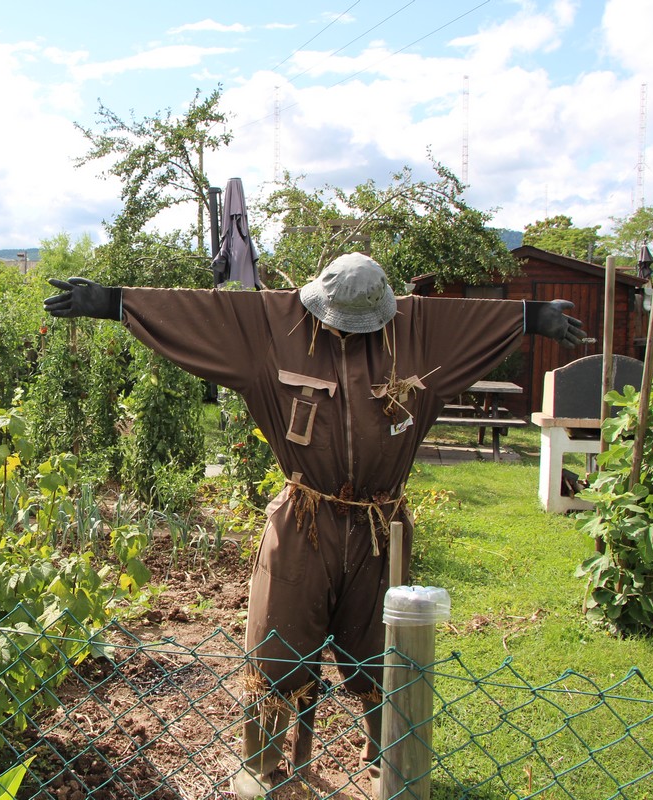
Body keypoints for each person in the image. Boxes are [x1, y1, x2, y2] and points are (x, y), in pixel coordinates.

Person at [44, 253, 586, 796]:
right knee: (278, 645)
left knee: (383, 652)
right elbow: (202, 312)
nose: (344, 331)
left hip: (380, 530)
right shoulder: (272, 325)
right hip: (302, 523)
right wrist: (112, 302)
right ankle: (261, 763)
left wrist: (532, 316)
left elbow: (474, 322)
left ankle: (388, 758)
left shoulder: (417, 329)